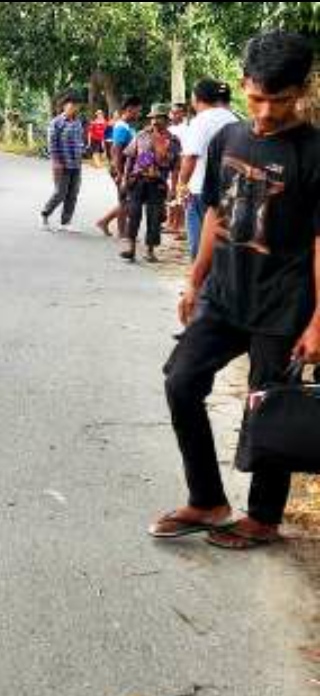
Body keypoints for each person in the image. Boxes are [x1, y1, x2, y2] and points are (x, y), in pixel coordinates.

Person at [151, 31, 320, 550]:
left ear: (302, 90)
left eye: (280, 100)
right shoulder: (228, 138)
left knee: (267, 406)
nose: (265, 112)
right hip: (224, 295)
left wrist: (318, 322)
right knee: (181, 382)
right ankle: (207, 500)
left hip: (283, 305)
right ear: (243, 83)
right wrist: (194, 279)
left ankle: (263, 518)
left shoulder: (314, 152)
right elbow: (216, 214)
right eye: (257, 97)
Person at [176, 78, 237, 259]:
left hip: (200, 190)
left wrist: (181, 184)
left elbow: (190, 157)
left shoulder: (201, 121)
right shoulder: (235, 119)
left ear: (197, 98)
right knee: (223, 239)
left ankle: (200, 273)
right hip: (230, 190)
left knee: (199, 240)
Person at [119, 103, 181, 263]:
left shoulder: (173, 141)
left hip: (158, 183)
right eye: (152, 118)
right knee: (134, 213)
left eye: (158, 118)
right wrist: (124, 179)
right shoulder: (142, 135)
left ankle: (150, 250)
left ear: (167, 120)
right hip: (138, 180)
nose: (154, 121)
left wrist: (174, 188)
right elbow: (130, 158)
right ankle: (131, 248)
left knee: (154, 218)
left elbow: (176, 168)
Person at [96, 96, 143, 237]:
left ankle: (109, 224)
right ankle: (119, 230)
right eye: (138, 110)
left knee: (125, 200)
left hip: (127, 169)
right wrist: (120, 174)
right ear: (129, 109)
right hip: (122, 169)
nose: (139, 114)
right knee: (126, 201)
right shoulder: (121, 127)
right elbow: (116, 151)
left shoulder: (128, 127)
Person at [40, 92, 86, 232]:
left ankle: (66, 222)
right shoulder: (56, 122)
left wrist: (82, 150)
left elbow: (79, 140)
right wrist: (56, 161)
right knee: (60, 193)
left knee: (73, 194)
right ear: (64, 105)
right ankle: (45, 215)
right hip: (62, 163)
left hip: (76, 164)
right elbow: (52, 143)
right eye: (72, 105)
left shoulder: (78, 122)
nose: (75, 108)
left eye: (77, 106)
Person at [165, 103, 190, 237]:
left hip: (180, 166)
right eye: (173, 112)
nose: (174, 115)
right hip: (169, 167)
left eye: (178, 112)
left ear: (183, 114)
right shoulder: (169, 129)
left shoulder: (186, 129)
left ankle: (179, 225)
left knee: (179, 195)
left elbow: (185, 152)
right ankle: (171, 223)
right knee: (171, 194)